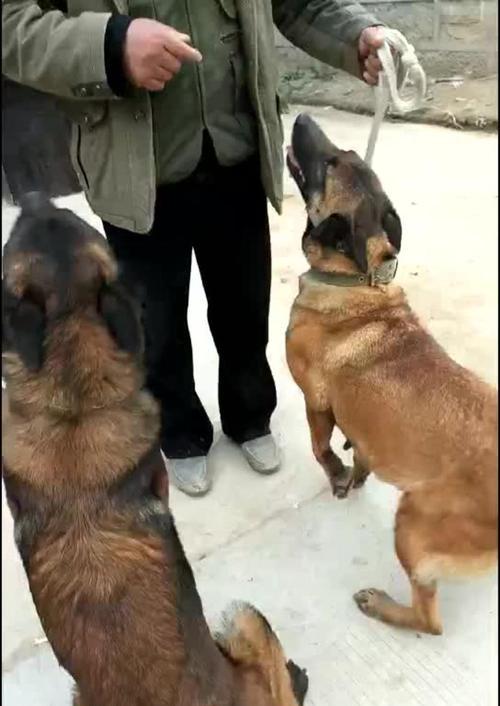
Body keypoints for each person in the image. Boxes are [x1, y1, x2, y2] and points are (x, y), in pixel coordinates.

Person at [3, 0, 389, 496]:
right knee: (155, 321)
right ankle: (181, 433)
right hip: (132, 165)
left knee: (245, 308)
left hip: (237, 149)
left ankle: (250, 417)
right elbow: (12, 25)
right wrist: (110, 45)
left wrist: (357, 33)